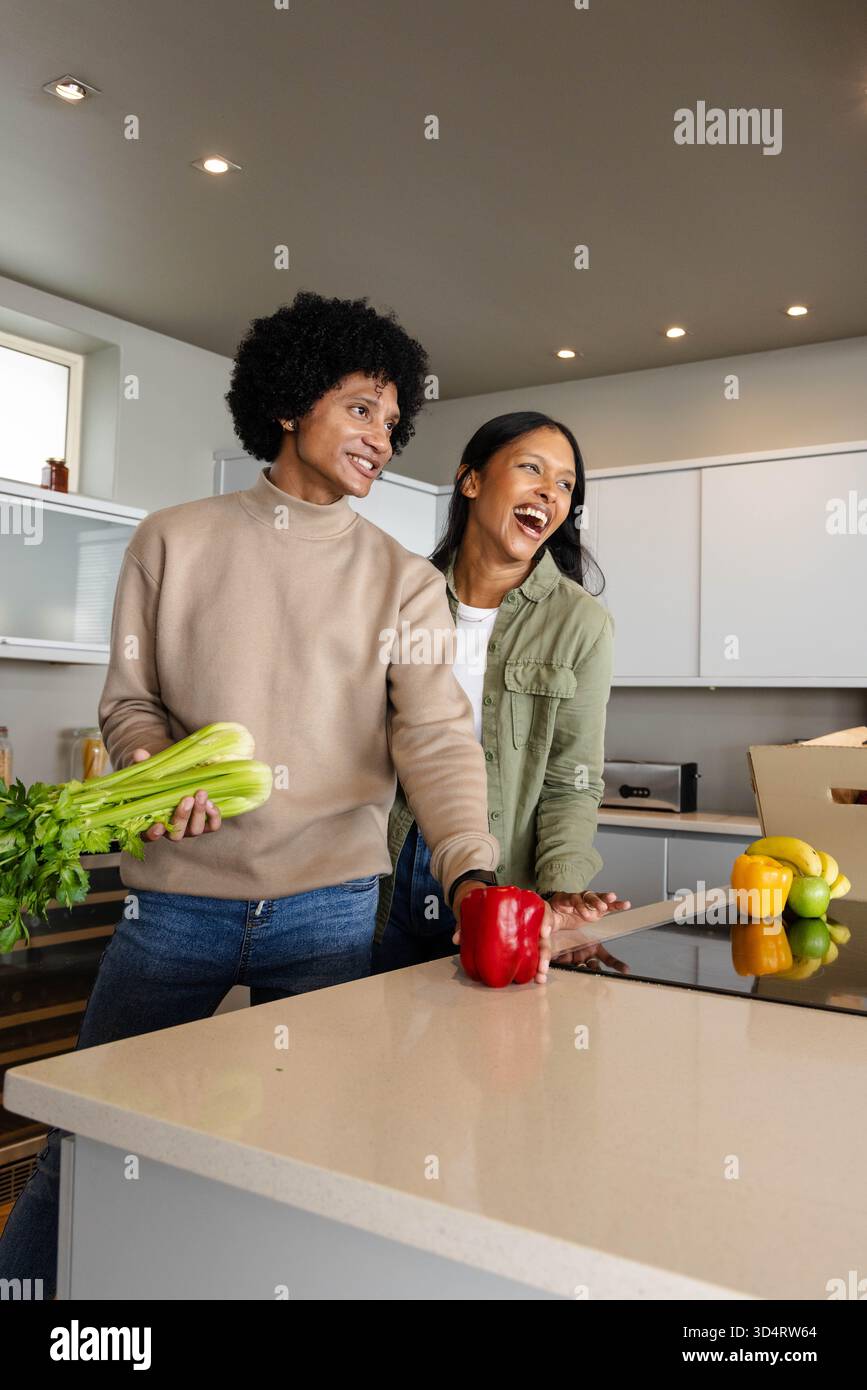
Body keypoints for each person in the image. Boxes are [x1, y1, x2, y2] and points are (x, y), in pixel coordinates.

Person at [0, 290, 502, 1298]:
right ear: (289, 400)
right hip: (173, 903)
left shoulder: (401, 580)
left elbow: (437, 737)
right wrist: (156, 772)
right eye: (361, 407)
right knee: (91, 1138)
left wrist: (474, 867)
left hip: (329, 907)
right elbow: (131, 702)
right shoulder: (172, 539)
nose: (381, 438)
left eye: (393, 424)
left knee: (302, 1151)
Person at [372, 411, 632, 976]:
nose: (550, 491)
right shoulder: (397, 593)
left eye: (565, 484)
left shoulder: (579, 623)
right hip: (379, 876)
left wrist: (565, 890)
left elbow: (573, 779)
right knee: (370, 1043)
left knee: (483, 1052)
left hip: (497, 883)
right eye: (531, 468)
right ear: (470, 481)